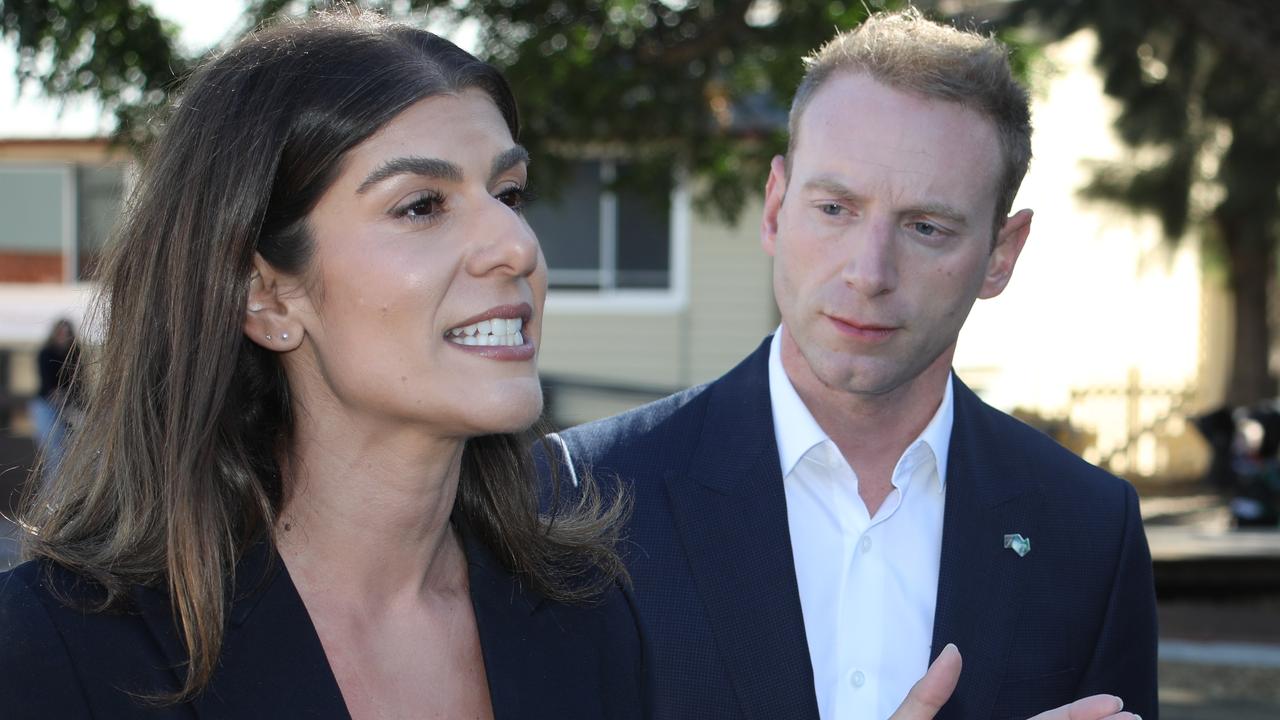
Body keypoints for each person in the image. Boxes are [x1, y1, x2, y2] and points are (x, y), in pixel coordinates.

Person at [0, 13, 645, 719]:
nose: (516, 245)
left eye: (510, 194)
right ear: (267, 296)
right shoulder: (60, 652)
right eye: (422, 205)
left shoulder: (591, 615)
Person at [539, 9, 1157, 720]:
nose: (869, 272)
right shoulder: (585, 495)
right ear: (774, 208)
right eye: (835, 208)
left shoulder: (1089, 530)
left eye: (927, 227)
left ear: (1001, 255)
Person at [28, 317, 80, 479]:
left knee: (68, 449)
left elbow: (79, 382)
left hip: (67, 404)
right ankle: (51, 491)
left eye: (67, 332)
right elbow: (49, 385)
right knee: (54, 450)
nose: (64, 335)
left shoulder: (75, 353)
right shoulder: (46, 353)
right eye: (60, 332)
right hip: (46, 405)